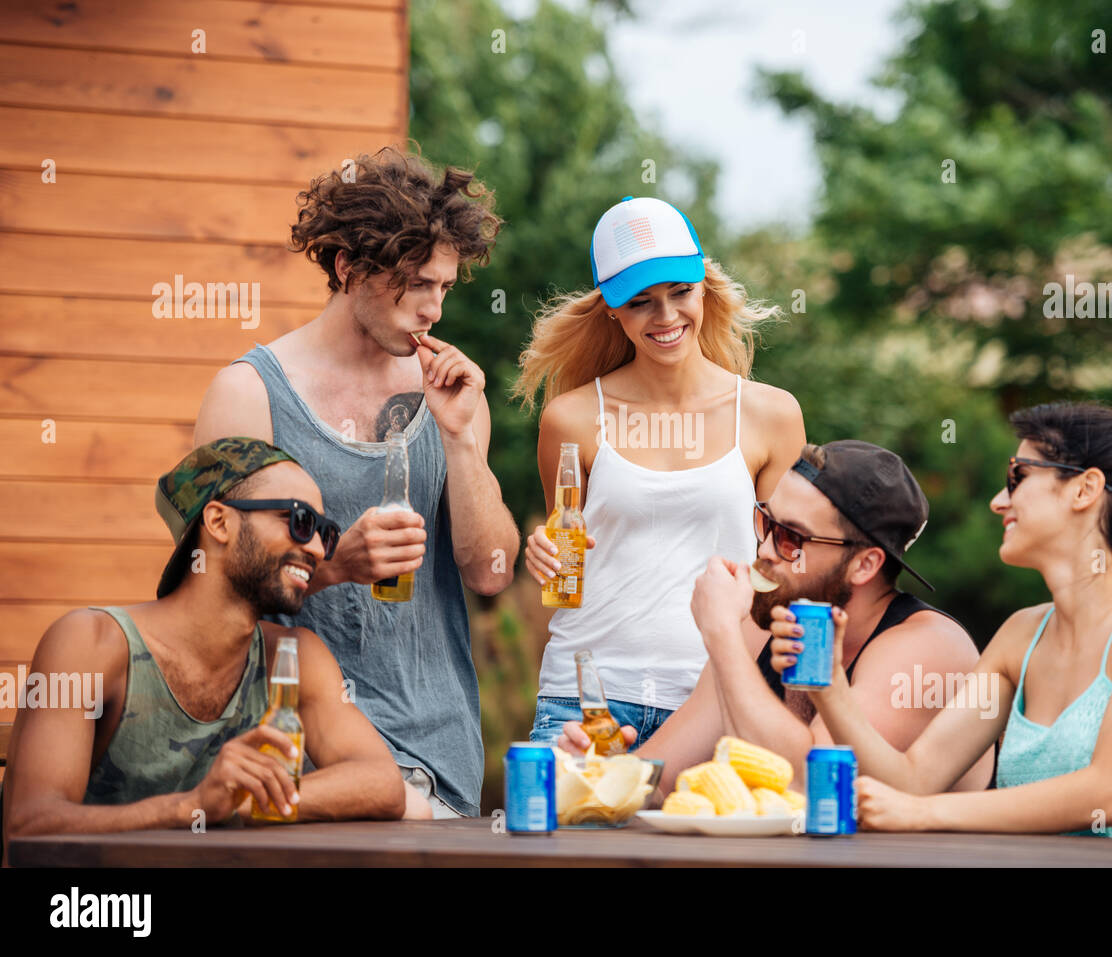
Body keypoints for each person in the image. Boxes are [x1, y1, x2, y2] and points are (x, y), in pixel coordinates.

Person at [193, 149, 519, 820]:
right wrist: (335, 566)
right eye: (416, 283)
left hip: (439, 756)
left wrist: (459, 438)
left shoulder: (454, 396)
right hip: (298, 761)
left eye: (446, 288)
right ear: (349, 268)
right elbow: (209, 595)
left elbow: (491, 571)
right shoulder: (249, 393)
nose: (434, 309)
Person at [771, 403, 1112, 843]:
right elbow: (912, 780)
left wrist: (925, 813)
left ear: (1085, 489)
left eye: (1017, 476)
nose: (998, 502)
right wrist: (830, 686)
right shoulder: (1021, 635)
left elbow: (1109, 794)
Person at [1, 439, 406, 863]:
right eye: (301, 521)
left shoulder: (293, 656)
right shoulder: (90, 644)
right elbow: (29, 826)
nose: (319, 550)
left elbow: (382, 782)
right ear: (218, 521)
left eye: (326, 532)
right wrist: (193, 805)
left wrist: (253, 799)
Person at [512, 195, 807, 744]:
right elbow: (567, 565)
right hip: (585, 701)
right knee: (556, 829)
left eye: (681, 293)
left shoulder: (772, 415)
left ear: (705, 288)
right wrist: (544, 553)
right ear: (612, 309)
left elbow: (790, 568)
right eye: (642, 301)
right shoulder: (571, 419)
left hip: (721, 699)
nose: (667, 317)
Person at [560, 441, 996, 797]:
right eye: (764, 522)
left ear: (865, 565)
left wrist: (721, 634)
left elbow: (811, 789)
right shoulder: (760, 628)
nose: (765, 549)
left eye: (790, 537)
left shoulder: (925, 648)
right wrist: (604, 770)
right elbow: (659, 782)